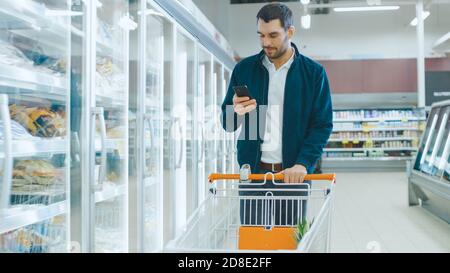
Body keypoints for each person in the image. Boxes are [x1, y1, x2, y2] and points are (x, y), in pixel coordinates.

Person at [221, 3, 333, 226]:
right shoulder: (244, 70)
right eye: (261, 35)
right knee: (254, 244)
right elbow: (228, 123)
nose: (265, 43)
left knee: (288, 242)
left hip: (293, 175)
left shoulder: (313, 74)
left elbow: (322, 125)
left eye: (273, 35)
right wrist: (235, 111)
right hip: (253, 174)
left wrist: (303, 163)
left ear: (290, 32)